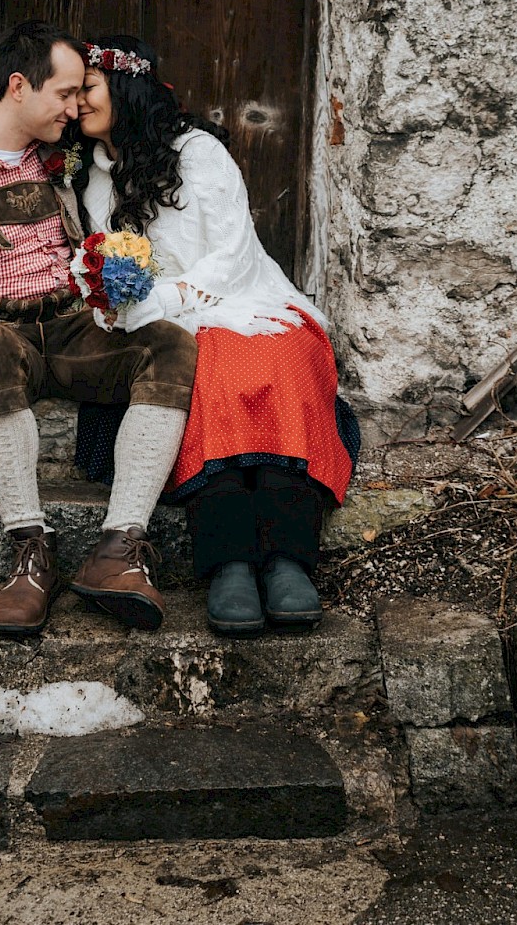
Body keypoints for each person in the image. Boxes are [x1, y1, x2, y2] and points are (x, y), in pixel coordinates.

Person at [0, 20, 198, 638]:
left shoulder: (59, 156)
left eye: (81, 94)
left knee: (170, 343)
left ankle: (118, 549)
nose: (77, 107)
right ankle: (31, 555)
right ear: (19, 87)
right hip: (3, 336)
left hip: (74, 325)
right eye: (66, 93)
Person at [72, 34, 358, 636]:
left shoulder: (199, 153)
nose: (75, 105)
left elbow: (230, 254)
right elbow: (112, 271)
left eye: (87, 89)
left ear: (125, 86)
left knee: (280, 358)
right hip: (166, 322)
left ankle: (286, 560)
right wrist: (136, 305)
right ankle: (228, 562)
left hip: (248, 299)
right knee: (209, 371)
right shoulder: (94, 183)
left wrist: (171, 300)